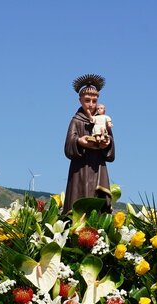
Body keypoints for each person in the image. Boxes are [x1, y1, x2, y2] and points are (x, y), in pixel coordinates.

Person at [64, 74, 114, 212]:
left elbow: (110, 146)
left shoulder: (102, 119)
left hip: (98, 166)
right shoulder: (76, 120)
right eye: (87, 100)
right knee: (78, 197)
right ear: (80, 100)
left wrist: (106, 144)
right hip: (80, 167)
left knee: (98, 201)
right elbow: (68, 145)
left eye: (94, 100)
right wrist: (79, 141)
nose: (91, 104)